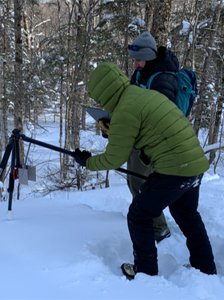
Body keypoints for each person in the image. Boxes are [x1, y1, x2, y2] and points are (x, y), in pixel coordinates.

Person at [74, 62, 216, 279]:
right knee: (187, 215)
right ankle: (205, 267)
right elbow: (152, 137)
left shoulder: (123, 109)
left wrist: (87, 162)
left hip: (175, 168)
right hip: (194, 164)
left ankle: (145, 271)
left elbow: (114, 159)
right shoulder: (143, 94)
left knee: (139, 215)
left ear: (102, 94)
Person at [127, 31, 180, 242]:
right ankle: (145, 219)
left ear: (149, 56)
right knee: (134, 181)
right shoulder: (140, 75)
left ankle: (158, 229)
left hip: (155, 142)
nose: (134, 65)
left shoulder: (164, 79)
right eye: (132, 60)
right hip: (138, 136)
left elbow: (159, 117)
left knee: (141, 183)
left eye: (138, 60)